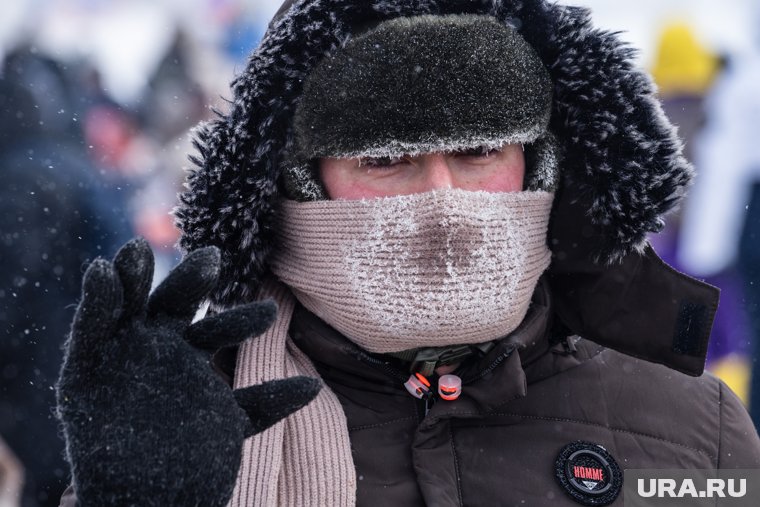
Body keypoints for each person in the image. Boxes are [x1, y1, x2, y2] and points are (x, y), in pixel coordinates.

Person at [56, 0, 760, 506]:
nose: (443, 200)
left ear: (543, 167)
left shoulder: (698, 430)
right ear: (300, 184)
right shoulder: (195, 416)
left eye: (481, 150)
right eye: (386, 159)